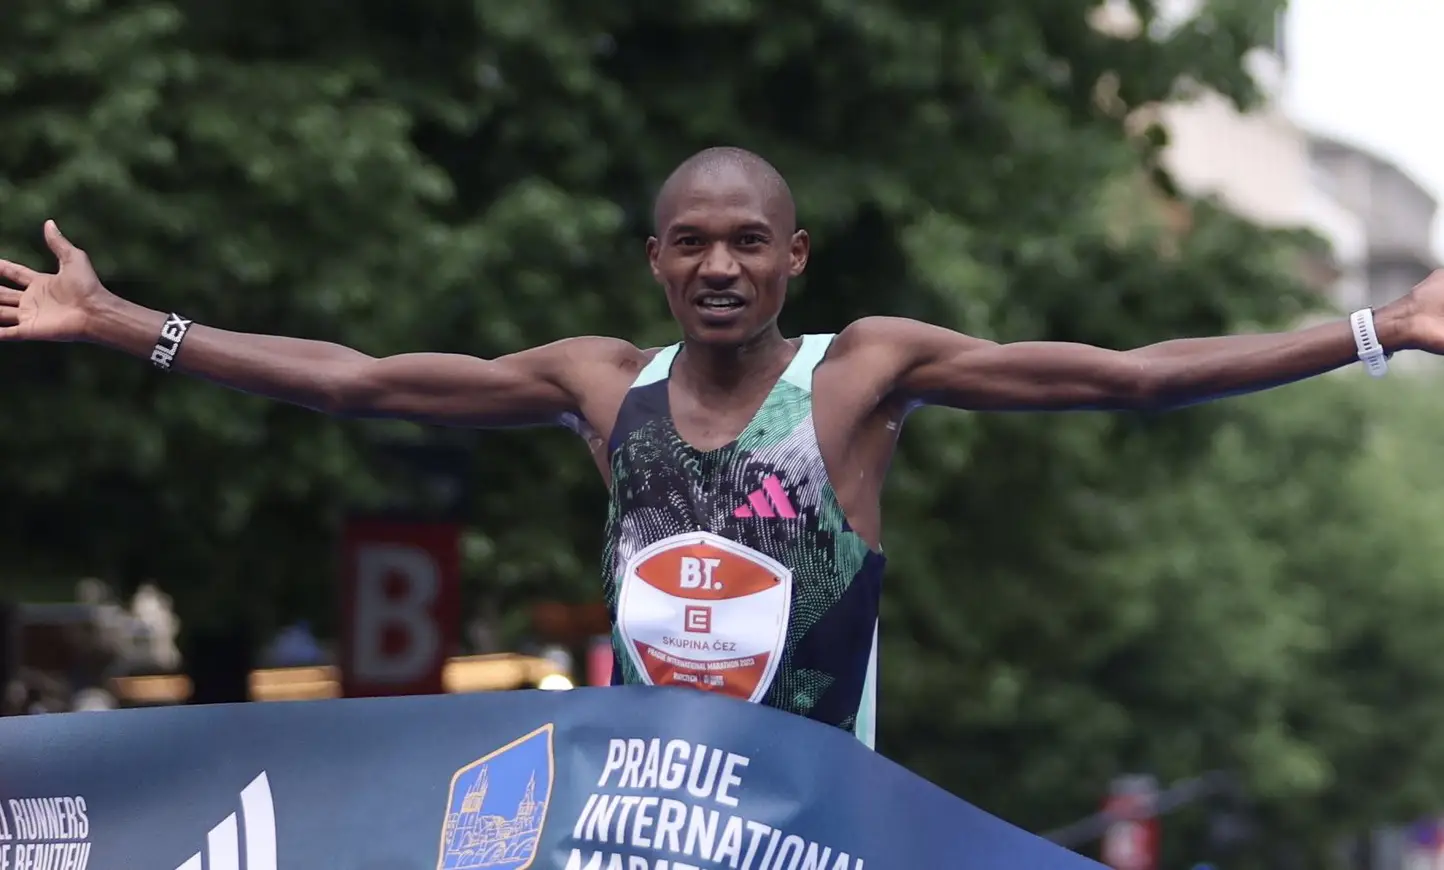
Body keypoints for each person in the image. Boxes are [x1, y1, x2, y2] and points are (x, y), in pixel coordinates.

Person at [1, 146, 1439, 748]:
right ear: (655, 263)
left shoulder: (864, 375)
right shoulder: (598, 386)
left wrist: (1376, 326)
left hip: (812, 814)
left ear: (792, 257)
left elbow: (1131, 375)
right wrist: (132, 324)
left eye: (748, 240)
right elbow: (360, 379)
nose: (720, 265)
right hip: (644, 810)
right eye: (690, 243)